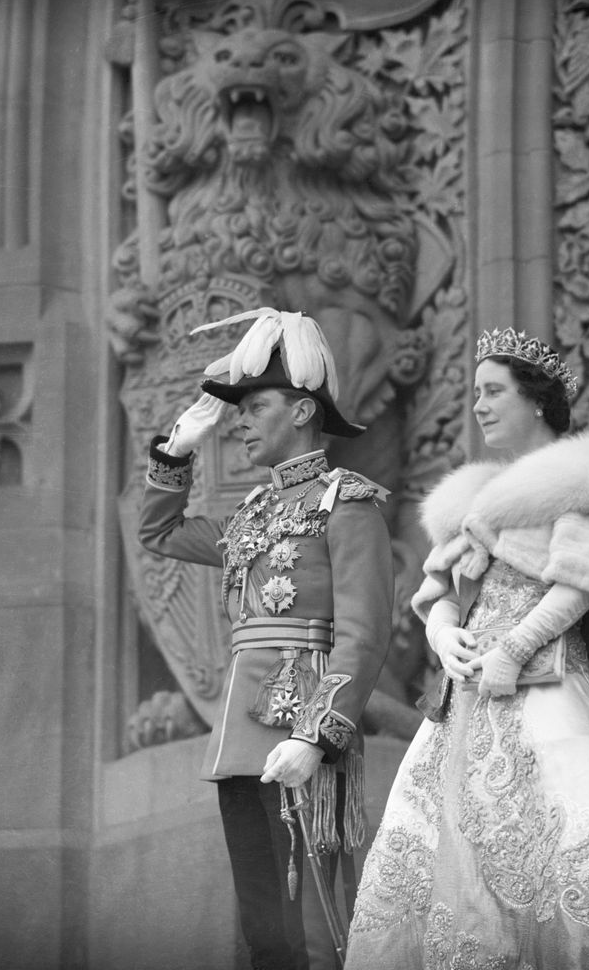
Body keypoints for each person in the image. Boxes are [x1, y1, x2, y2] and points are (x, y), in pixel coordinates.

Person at [344, 327, 589, 969]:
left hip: (547, 695)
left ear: (536, 400)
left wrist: (517, 645)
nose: (479, 405)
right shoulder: (474, 499)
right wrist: (444, 635)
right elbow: (444, 590)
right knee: (440, 855)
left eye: (493, 391)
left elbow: (582, 583)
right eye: (475, 392)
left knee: (567, 840)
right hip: (465, 702)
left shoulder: (583, 481)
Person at [139, 308, 394, 970]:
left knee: (311, 921)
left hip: (301, 724)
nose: (241, 422)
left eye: (256, 406)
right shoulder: (253, 511)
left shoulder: (349, 504)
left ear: (304, 409)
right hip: (238, 736)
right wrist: (176, 451)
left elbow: (364, 635)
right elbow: (160, 535)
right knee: (263, 927)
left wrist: (317, 735)